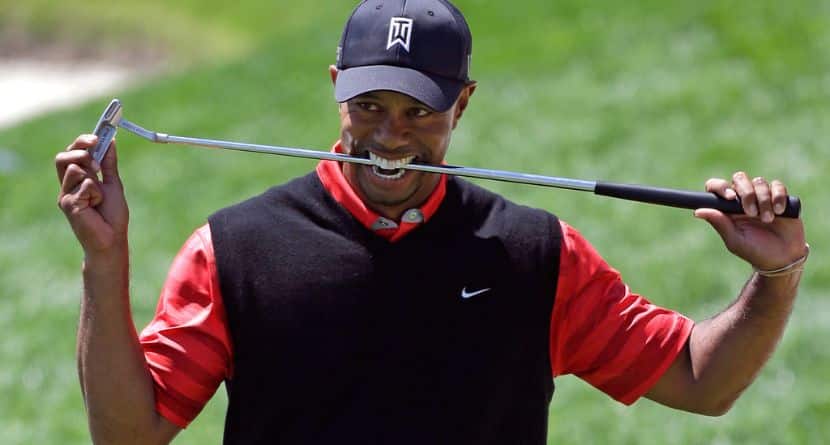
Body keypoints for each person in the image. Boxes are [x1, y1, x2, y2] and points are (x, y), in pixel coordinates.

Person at [55, 0, 808, 443]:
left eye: (420, 112)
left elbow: (701, 383)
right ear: (335, 90)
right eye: (370, 107)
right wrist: (105, 257)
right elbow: (129, 433)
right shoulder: (234, 250)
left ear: (465, 103)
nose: (390, 136)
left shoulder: (532, 254)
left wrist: (775, 277)